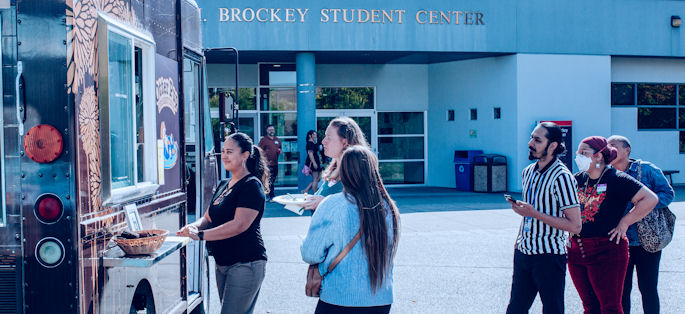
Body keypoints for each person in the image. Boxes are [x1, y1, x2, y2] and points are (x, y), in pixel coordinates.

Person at [177, 132, 270, 314]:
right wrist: (194, 226)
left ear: (245, 155)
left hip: (246, 263)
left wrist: (202, 235)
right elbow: (208, 218)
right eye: (223, 151)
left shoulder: (251, 185)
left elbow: (239, 225)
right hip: (223, 263)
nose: (224, 156)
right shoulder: (223, 185)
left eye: (230, 151)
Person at [301, 145, 400, 314]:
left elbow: (310, 253)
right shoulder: (389, 208)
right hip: (381, 299)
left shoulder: (333, 204)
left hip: (339, 297)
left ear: (344, 173)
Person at [569, 136, 658, 314]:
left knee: (610, 307)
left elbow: (650, 199)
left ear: (599, 156)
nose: (578, 156)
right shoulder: (577, 179)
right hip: (577, 249)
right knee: (589, 307)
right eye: (578, 153)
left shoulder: (616, 178)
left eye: (584, 153)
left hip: (606, 249)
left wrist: (625, 223)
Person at [506, 122, 582, 314]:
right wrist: (518, 242)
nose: (531, 143)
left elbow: (575, 225)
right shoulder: (528, 172)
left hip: (549, 256)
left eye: (537, 140)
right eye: (531, 137)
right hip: (524, 252)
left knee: (552, 309)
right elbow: (529, 216)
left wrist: (534, 213)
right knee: (515, 309)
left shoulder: (562, 177)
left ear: (553, 146)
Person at [608, 135, 674, 314]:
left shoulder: (647, 169)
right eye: (607, 146)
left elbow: (667, 194)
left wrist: (645, 206)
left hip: (648, 240)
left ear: (626, 150)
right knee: (621, 290)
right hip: (619, 240)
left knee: (648, 288)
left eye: (613, 145)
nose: (609, 148)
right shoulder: (607, 173)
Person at [302, 117, 369, 210]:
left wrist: (324, 202)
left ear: (345, 142)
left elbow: (358, 209)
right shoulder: (332, 171)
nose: (323, 141)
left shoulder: (355, 174)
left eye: (328, 137)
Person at [258, 124, 281, 200]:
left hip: (275, 163)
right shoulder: (263, 140)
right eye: (270, 130)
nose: (271, 131)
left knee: (273, 179)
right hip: (267, 164)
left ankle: (267, 192)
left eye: (272, 129)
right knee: (270, 179)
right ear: (267, 131)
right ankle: (271, 195)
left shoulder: (277, 140)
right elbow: (259, 151)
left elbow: (280, 148)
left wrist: (279, 151)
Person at [302, 130, 323, 194]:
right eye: (314, 134)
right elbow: (310, 154)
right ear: (310, 135)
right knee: (315, 179)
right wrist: (314, 163)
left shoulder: (313, 143)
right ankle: (315, 194)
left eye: (316, 134)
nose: (315, 136)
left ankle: (306, 190)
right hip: (313, 162)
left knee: (317, 178)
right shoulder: (310, 143)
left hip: (316, 162)